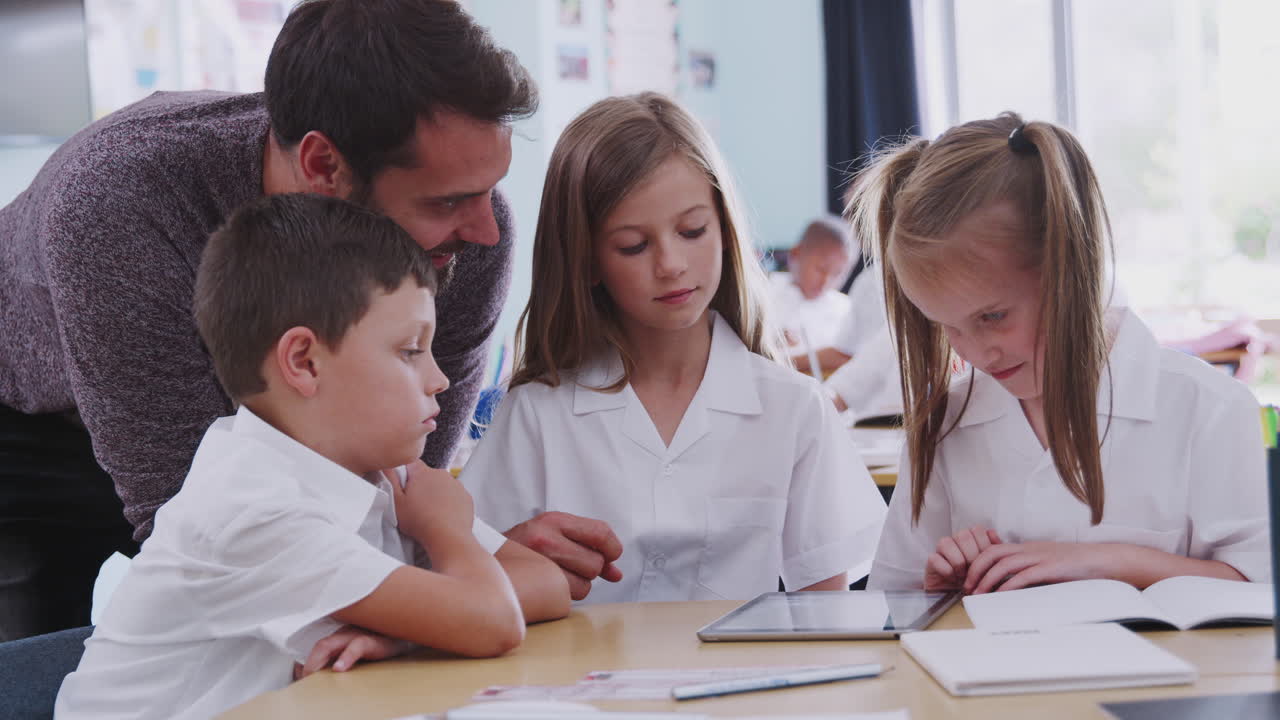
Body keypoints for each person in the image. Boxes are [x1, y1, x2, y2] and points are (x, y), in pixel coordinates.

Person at [0, 0, 536, 641]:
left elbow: (401, 479)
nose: (486, 228)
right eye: (448, 200)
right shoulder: (119, 201)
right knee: (39, 660)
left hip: (237, 429)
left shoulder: (468, 234)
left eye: (487, 188)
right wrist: (447, 587)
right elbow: (198, 528)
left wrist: (473, 555)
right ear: (322, 167)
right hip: (31, 436)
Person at [54, 194, 568, 720]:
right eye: (410, 350)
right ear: (304, 362)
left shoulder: (368, 467)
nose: (440, 379)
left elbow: (547, 585)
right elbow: (494, 621)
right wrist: (449, 533)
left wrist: (403, 633)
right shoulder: (252, 509)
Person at [459, 93, 886, 603]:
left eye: (692, 231)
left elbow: (825, 615)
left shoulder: (794, 409)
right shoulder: (535, 414)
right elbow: (465, 579)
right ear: (586, 260)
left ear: (725, 229)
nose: (671, 264)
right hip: (576, 682)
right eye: (633, 246)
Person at [862, 113, 1270, 592]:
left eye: (993, 317)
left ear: (1070, 270)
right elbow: (893, 604)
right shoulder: (945, 425)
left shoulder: (1209, 410)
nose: (976, 353)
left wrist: (1109, 562)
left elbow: (1259, 588)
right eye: (948, 328)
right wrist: (938, 590)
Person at [771, 216, 854, 358]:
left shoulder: (846, 310)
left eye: (837, 274)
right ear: (796, 254)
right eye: (821, 269)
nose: (825, 282)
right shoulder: (764, 292)